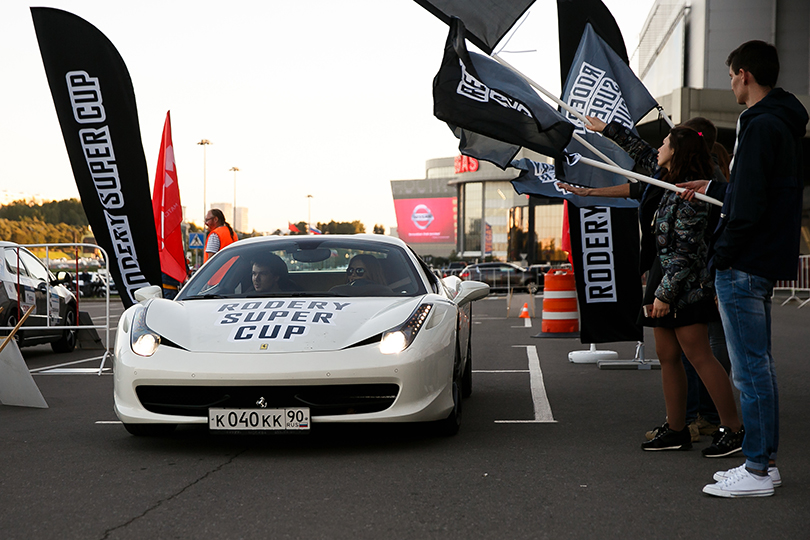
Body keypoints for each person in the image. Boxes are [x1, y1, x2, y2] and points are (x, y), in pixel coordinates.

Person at [679, 41, 808, 498]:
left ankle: (756, 469)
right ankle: (763, 463)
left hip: (743, 262)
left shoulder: (756, 125)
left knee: (750, 369)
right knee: (759, 366)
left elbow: (750, 202)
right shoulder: (785, 124)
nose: (730, 81)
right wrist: (715, 185)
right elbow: (763, 190)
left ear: (746, 75)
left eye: (732, 74)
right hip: (764, 260)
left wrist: (721, 257)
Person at [560, 116, 732, 446]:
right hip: (663, 276)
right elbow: (641, 158)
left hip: (685, 283)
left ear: (679, 149)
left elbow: (686, 250)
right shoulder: (667, 178)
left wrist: (664, 294)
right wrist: (606, 130)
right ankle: (677, 428)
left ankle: (729, 427)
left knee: (699, 354)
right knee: (668, 354)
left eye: (666, 142)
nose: (659, 148)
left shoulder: (691, 190)